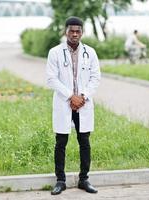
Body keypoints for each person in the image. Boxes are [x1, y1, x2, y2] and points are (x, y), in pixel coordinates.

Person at [46, 16, 101, 195]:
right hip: (64, 103)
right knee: (60, 142)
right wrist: (71, 96)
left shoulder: (90, 52)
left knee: (84, 142)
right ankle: (60, 180)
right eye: (71, 31)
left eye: (78, 31)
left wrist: (82, 97)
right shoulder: (55, 52)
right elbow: (52, 79)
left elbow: (95, 78)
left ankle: (84, 179)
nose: (75, 34)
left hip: (83, 104)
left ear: (82, 32)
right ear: (65, 32)